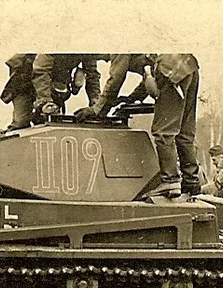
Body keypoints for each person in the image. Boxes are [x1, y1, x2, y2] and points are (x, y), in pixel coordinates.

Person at [76, 54, 201, 198]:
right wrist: (131, 98)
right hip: (187, 65)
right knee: (184, 132)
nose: (105, 60)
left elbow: (116, 78)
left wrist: (98, 110)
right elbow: (151, 76)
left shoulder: (120, 47)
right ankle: (191, 181)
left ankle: (170, 180)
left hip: (169, 68)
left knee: (163, 132)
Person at [32, 54, 102, 118]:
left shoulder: (85, 45)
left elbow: (92, 75)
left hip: (55, 87)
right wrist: (45, 101)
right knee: (23, 122)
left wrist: (96, 105)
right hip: (28, 81)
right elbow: (40, 70)